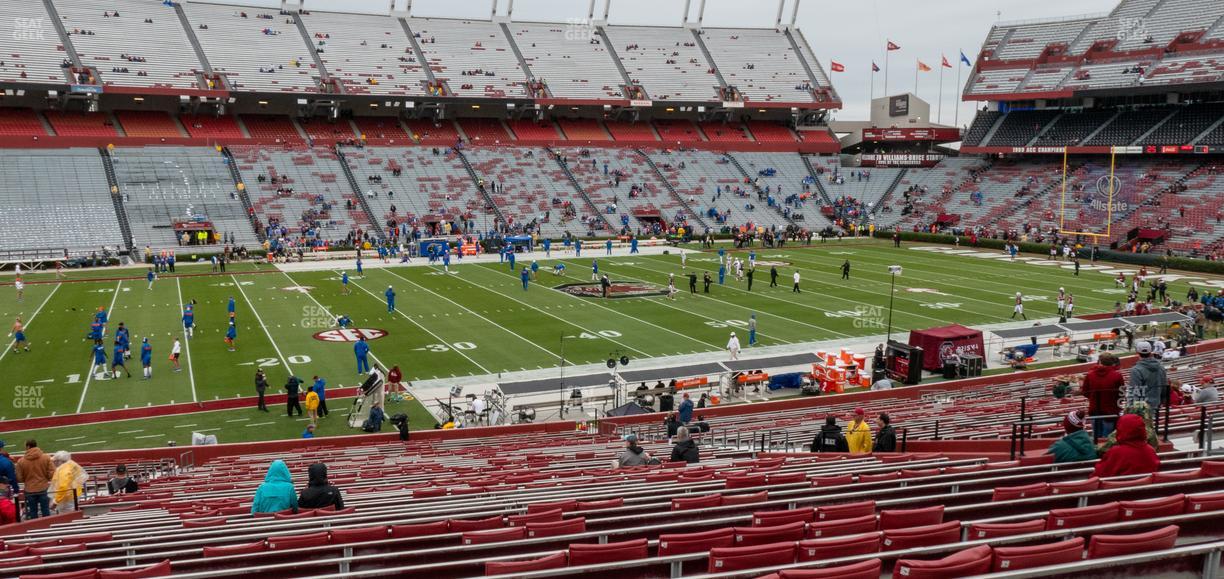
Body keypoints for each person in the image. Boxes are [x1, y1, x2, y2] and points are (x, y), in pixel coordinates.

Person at [1093, 413, 1160, 477]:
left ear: (1120, 428)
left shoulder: (1116, 452)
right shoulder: (1151, 451)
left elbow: (1099, 474)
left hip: (1118, 487)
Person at [1082, 352, 1124, 439]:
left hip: (1094, 409)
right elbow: (1121, 394)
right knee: (1108, 438)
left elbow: (1085, 392)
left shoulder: (1090, 375)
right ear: (1112, 363)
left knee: (1096, 438)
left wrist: (1093, 397)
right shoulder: (1117, 375)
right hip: (1110, 410)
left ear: (1100, 362)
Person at [16, 440, 53, 519]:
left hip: (29, 489)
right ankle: (47, 527)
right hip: (43, 487)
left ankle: (35, 528)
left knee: (33, 511)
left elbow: (19, 478)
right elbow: (52, 473)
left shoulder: (21, 461)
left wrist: (27, 479)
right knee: (46, 510)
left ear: (28, 446)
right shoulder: (46, 457)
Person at [1129, 341, 1168, 412]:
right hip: (1156, 407)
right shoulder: (1161, 367)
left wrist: (1134, 410)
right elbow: (1164, 388)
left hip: (1143, 410)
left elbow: (1135, 392)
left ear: (1137, 352)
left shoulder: (1136, 370)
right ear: (1150, 352)